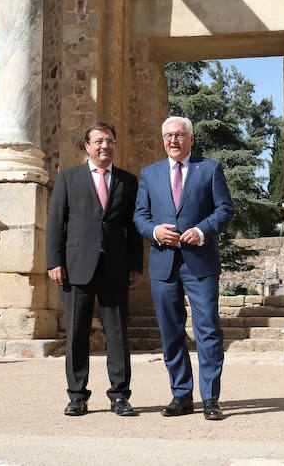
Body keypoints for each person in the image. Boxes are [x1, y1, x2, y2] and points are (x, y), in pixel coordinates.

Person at [134, 116, 234, 420]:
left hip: (199, 263)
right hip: (164, 264)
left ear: (191, 138)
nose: (173, 141)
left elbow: (225, 209)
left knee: (207, 331)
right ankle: (181, 395)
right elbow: (140, 216)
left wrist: (202, 230)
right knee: (171, 333)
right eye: (167, 136)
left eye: (178, 135)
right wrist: (153, 232)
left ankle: (210, 399)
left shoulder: (210, 168)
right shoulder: (149, 174)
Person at [45, 121, 143, 417]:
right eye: (99, 141)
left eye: (110, 141)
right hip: (76, 267)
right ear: (87, 146)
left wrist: (136, 264)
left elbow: (133, 227)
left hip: (115, 266)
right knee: (76, 333)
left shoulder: (127, 181)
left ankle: (120, 395)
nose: (105, 146)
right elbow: (56, 223)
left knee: (118, 334)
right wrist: (54, 261)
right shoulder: (68, 178)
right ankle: (77, 395)